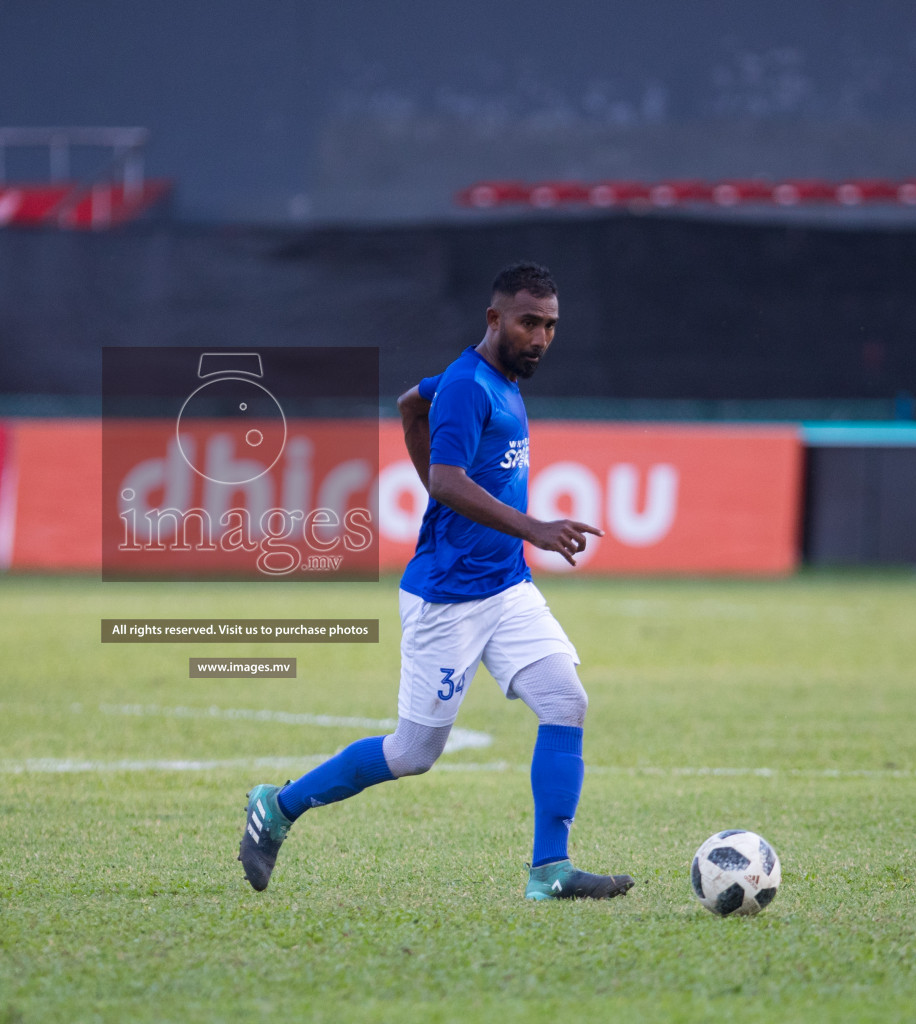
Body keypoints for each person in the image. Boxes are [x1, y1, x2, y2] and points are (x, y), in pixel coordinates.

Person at [238, 262, 634, 901]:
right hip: (447, 599)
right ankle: (278, 806)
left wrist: (473, 509)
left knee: (566, 702)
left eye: (551, 326)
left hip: (506, 587)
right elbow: (449, 480)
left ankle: (549, 870)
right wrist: (529, 525)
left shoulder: (493, 382)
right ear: (493, 318)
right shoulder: (470, 387)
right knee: (412, 753)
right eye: (529, 322)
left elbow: (407, 404)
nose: (540, 337)